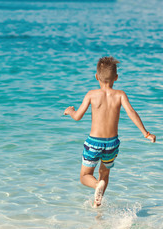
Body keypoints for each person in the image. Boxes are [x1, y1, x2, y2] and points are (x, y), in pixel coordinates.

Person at [63, 56, 156, 207]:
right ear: (116, 78)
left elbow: (78, 117)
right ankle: (97, 201)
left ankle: (96, 186)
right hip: (112, 144)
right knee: (104, 173)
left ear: (96, 77)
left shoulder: (91, 94)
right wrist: (146, 133)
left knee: (85, 176)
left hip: (94, 142)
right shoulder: (120, 95)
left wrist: (70, 111)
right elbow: (132, 113)